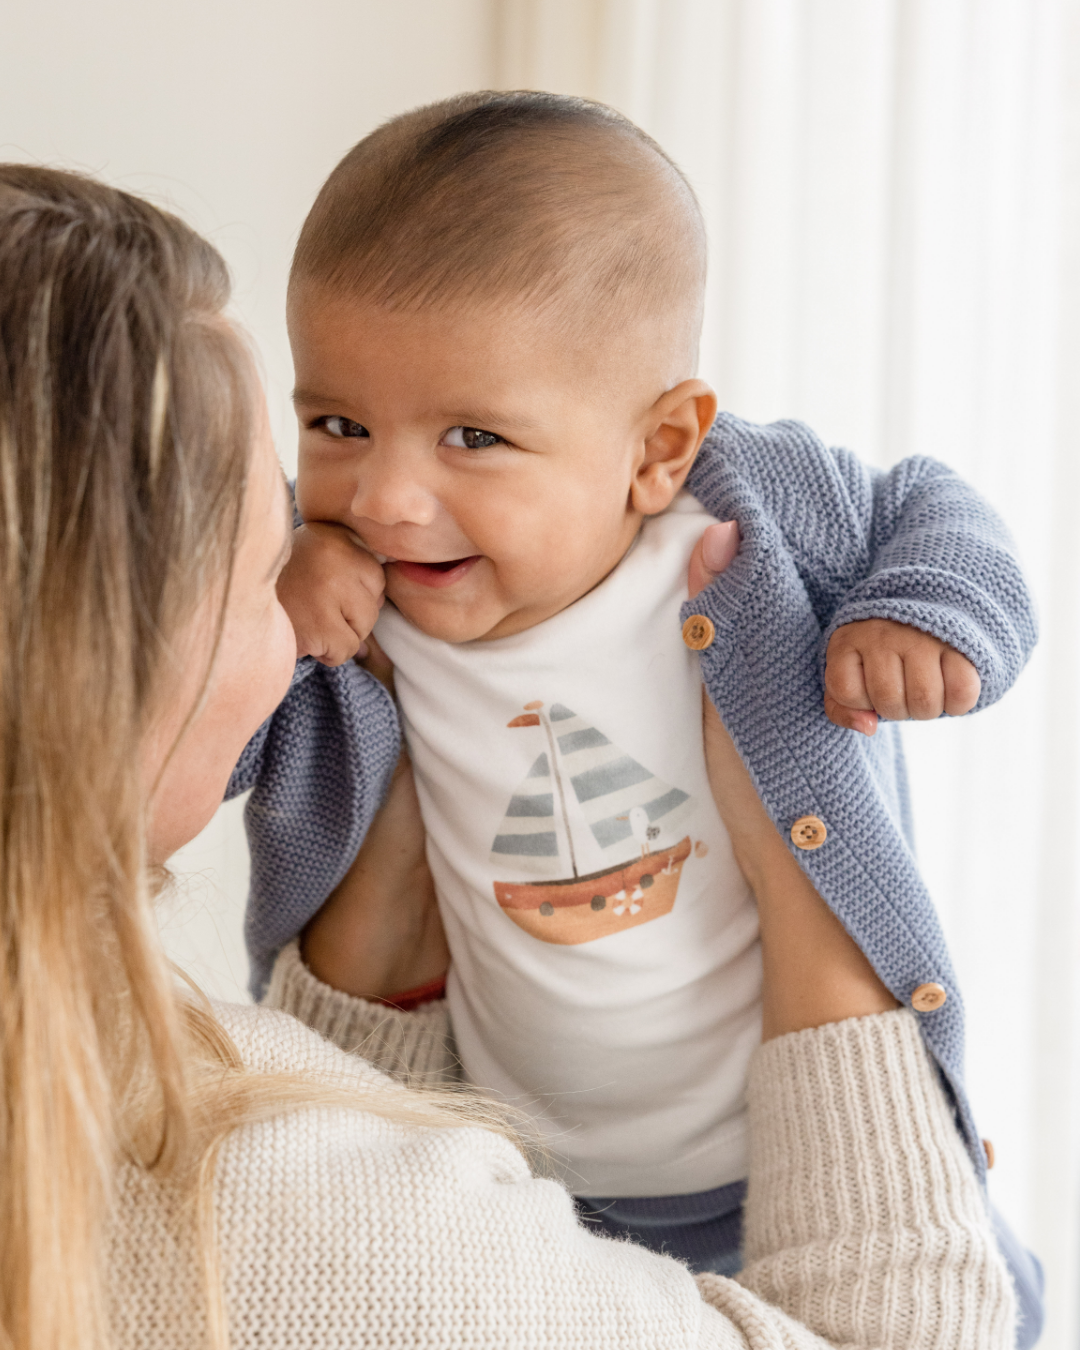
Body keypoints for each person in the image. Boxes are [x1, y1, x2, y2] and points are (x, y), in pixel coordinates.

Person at [0, 162, 1017, 1350]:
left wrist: (932, 619)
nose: (380, 501)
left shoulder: (740, 500)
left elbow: (930, 513)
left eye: (473, 437)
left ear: (661, 445)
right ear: (95, 666)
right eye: (335, 431)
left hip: (748, 1156)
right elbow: (371, 1211)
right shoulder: (268, 1201)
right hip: (545, 1144)